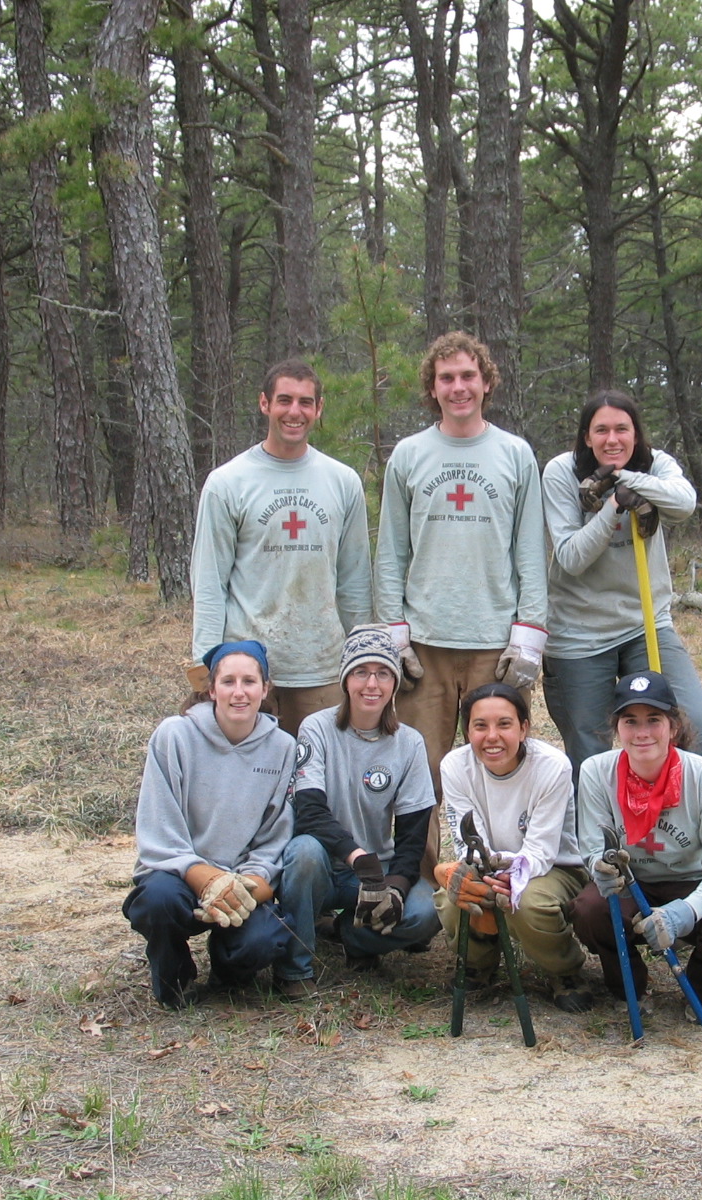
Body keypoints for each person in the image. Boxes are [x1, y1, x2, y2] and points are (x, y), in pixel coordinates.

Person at [375, 332, 548, 801]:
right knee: (421, 771)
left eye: (468, 375)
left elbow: (530, 551)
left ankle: (500, 871)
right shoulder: (409, 456)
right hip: (425, 647)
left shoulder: (515, 455)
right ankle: (423, 872)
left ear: (486, 382)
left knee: (499, 767)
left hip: (494, 645)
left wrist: (529, 634)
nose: (458, 387)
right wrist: (393, 631)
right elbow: (391, 551)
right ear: (432, 388)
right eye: (446, 377)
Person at [190, 359, 372, 736]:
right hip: (248, 667)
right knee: (252, 779)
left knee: (319, 779)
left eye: (306, 402)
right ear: (264, 403)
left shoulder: (343, 482)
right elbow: (210, 583)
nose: (295, 412)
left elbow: (354, 583)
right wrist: (206, 667)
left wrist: (362, 658)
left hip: (321, 665)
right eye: (284, 400)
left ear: (319, 409)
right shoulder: (228, 483)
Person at [572, 671, 702, 1020]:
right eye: (630, 721)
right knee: (589, 909)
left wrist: (686, 912)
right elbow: (592, 846)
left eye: (654, 720)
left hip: (692, 880)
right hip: (631, 881)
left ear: (673, 727)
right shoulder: (595, 772)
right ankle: (629, 988)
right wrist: (599, 868)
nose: (642, 732)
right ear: (616, 728)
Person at [542, 390, 702, 778]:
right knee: (590, 755)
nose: (612, 439)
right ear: (586, 437)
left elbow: (685, 503)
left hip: (646, 624)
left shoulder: (654, 465)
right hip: (579, 633)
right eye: (601, 430)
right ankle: (601, 833)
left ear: (636, 433)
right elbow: (571, 557)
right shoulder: (561, 472)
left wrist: (628, 479)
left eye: (622, 428)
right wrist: (614, 506)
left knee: (696, 727)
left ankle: (683, 822)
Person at [122, 641, 297, 1009]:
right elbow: (158, 830)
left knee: (265, 939)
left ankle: (227, 971)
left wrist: (245, 886)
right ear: (210, 689)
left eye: (249, 681)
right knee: (157, 901)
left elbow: (274, 836)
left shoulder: (282, 747)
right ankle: (175, 975)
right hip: (178, 877)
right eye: (228, 681)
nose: (239, 692)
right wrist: (204, 877)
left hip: (238, 880)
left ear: (265, 689)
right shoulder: (175, 735)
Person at [275, 626, 441, 997]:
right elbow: (310, 811)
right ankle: (295, 967)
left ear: (395, 683)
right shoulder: (316, 729)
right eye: (361, 672)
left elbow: (413, 831)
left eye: (383, 673)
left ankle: (354, 937)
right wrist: (354, 855)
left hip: (374, 873)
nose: (372, 684)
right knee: (301, 852)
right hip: (323, 865)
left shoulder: (409, 743)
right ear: (345, 679)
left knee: (426, 912)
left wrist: (395, 886)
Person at [433, 682, 594, 1013]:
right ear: (467, 731)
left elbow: (541, 849)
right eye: (480, 726)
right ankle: (478, 963)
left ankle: (563, 971)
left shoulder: (552, 765)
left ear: (523, 728)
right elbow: (468, 839)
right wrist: (484, 873)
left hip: (552, 868)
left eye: (504, 724)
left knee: (529, 902)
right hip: (487, 865)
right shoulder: (454, 766)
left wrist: (510, 875)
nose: (492, 736)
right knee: (454, 897)